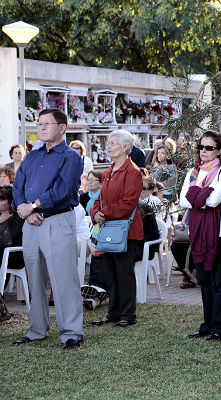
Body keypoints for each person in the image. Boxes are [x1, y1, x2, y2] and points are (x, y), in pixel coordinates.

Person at [11, 108, 84, 350]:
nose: (41, 128)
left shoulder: (71, 157)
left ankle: (71, 333)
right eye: (39, 124)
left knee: (64, 279)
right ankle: (37, 330)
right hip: (31, 224)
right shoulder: (32, 156)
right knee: (35, 278)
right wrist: (23, 208)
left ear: (62, 127)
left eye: (47, 124)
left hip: (57, 220)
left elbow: (63, 191)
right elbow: (17, 184)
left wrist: (31, 207)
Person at [182, 131, 221, 342]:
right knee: (204, 279)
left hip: (220, 232)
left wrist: (196, 196)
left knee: (219, 280)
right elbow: (183, 200)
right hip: (198, 231)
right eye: (201, 147)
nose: (203, 151)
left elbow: (213, 202)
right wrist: (201, 196)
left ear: (220, 150)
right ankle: (208, 324)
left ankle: (220, 328)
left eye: (209, 148)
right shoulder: (194, 172)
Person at [89, 130, 143, 328]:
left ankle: (128, 314)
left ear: (126, 148)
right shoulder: (107, 172)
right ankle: (113, 313)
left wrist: (104, 213)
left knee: (124, 273)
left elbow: (128, 203)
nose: (108, 146)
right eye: (108, 142)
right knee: (110, 272)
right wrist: (95, 213)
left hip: (126, 230)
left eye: (113, 143)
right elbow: (99, 199)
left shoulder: (133, 172)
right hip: (108, 227)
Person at [0, 185, 25, 271]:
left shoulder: (18, 219)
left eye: (1, 200)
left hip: (12, 256)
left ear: (10, 201)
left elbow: (12, 240)